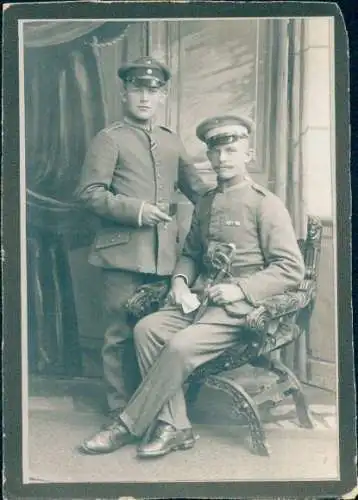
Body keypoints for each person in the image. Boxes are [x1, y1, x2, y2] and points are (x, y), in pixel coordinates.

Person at [80, 114, 305, 457]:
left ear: (248, 154)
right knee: (147, 329)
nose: (222, 159)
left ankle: (126, 425)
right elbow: (190, 253)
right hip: (200, 302)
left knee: (180, 347)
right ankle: (176, 426)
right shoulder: (208, 201)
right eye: (216, 153)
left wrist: (241, 289)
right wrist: (181, 283)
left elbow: (291, 269)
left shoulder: (265, 204)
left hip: (239, 311)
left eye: (231, 151)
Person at [76, 56, 206, 448]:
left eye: (153, 90)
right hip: (121, 256)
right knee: (118, 336)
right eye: (138, 89)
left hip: (165, 258)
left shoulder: (170, 140)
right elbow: (88, 193)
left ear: (163, 96)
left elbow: (197, 189)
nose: (145, 97)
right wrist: (135, 210)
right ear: (124, 93)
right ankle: (119, 415)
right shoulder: (110, 138)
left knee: (156, 337)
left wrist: (226, 212)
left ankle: (155, 415)